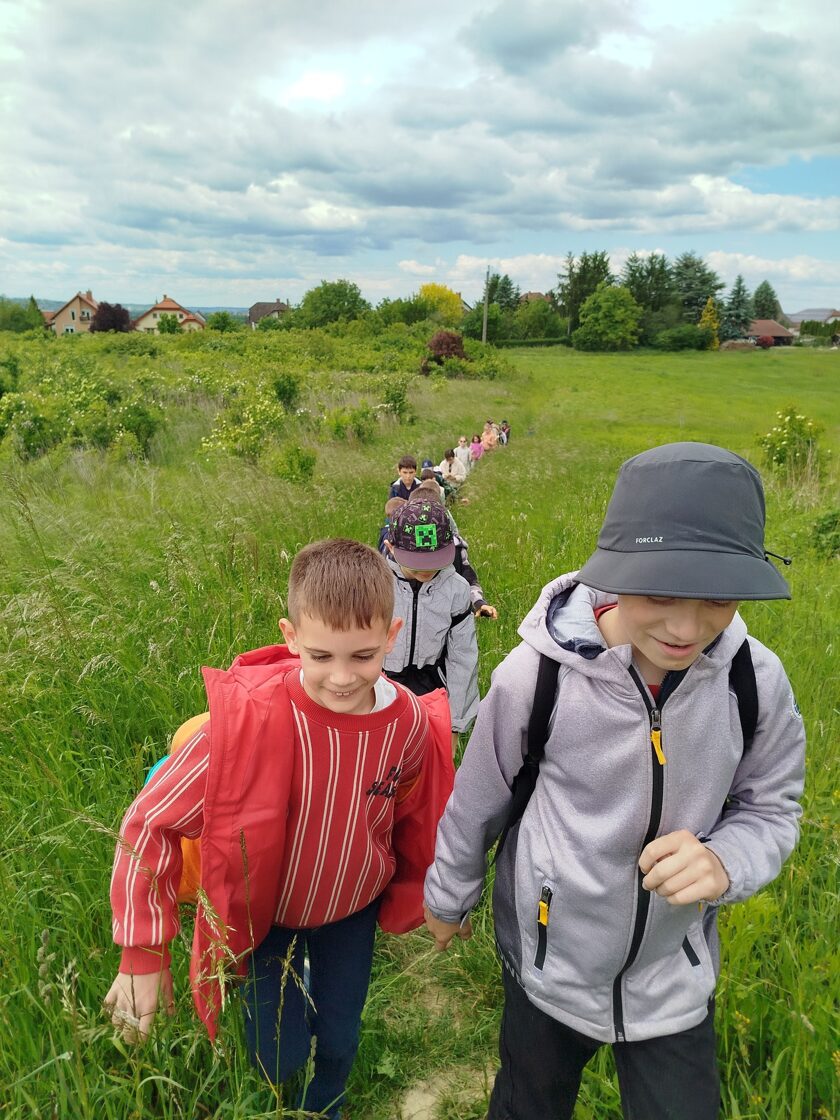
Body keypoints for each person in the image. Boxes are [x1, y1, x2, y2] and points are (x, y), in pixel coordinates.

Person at [423, 442, 805, 1120]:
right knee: (528, 1103)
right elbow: (478, 799)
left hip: (672, 975)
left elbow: (771, 805)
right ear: (615, 570)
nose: (686, 627)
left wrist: (726, 858)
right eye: (659, 592)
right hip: (550, 967)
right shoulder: (538, 675)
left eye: (718, 597)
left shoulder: (754, 680)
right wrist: (449, 896)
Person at [105, 539, 454, 1120]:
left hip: (351, 911)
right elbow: (147, 824)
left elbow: (416, 812)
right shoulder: (244, 724)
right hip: (265, 920)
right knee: (276, 1055)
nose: (341, 677)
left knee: (340, 1036)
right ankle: (285, 1092)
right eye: (320, 656)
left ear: (392, 637)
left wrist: (436, 892)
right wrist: (143, 951)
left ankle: (327, 1104)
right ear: (290, 637)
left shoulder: (409, 723)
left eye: (363, 656)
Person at [383, 498, 480, 752]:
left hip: (432, 690)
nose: (427, 571)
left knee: (427, 760)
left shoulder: (456, 590)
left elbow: (463, 658)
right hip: (382, 685)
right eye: (417, 563)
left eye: (435, 560)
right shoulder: (375, 584)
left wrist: (455, 724)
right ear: (391, 548)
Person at [408, 482, 498, 619]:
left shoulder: (455, 547)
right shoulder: (401, 550)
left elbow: (468, 579)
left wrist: (479, 603)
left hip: (447, 617)